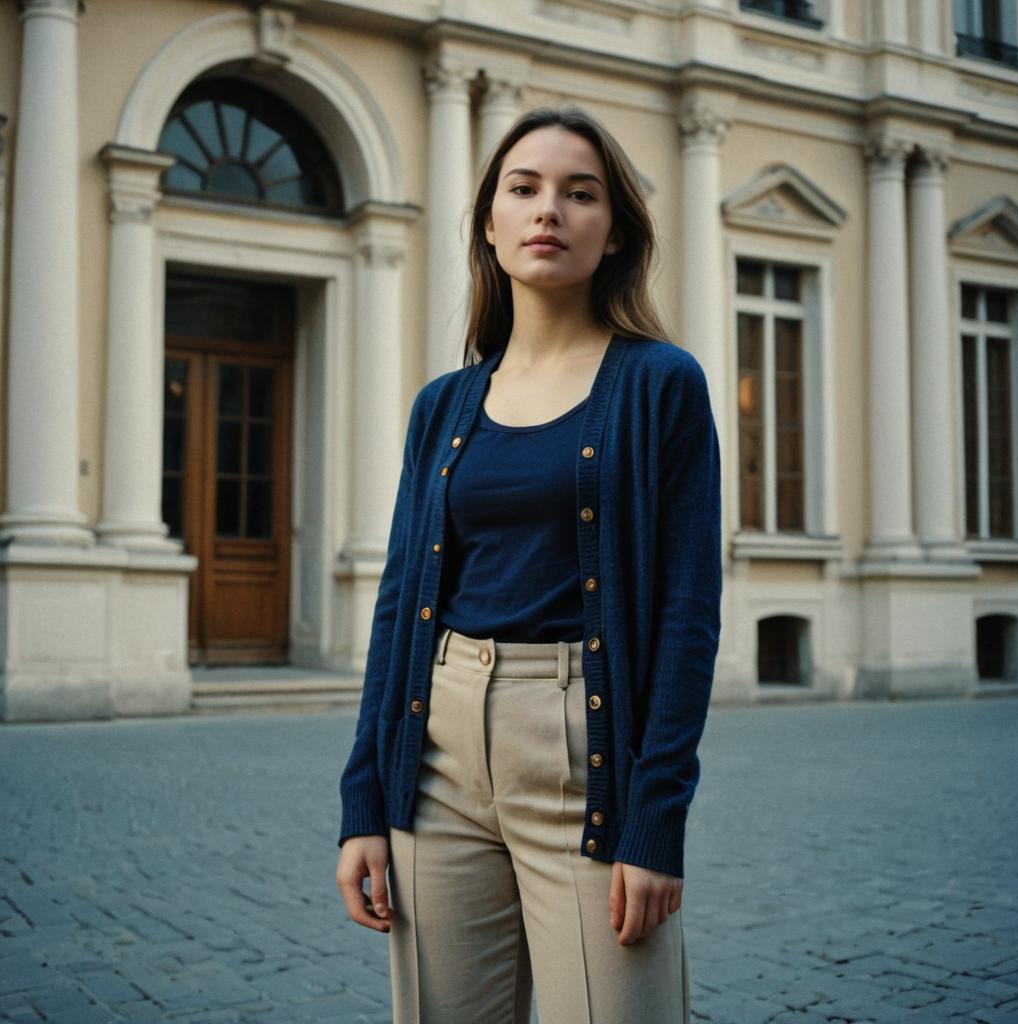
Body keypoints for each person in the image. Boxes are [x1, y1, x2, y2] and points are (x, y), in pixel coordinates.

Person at [335, 105, 722, 1024]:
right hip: (437, 749)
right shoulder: (444, 405)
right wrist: (364, 800)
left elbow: (686, 610)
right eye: (525, 188)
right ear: (490, 223)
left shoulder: (660, 384)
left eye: (579, 193)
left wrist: (656, 818)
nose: (549, 209)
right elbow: (399, 607)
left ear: (615, 229)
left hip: (583, 748)